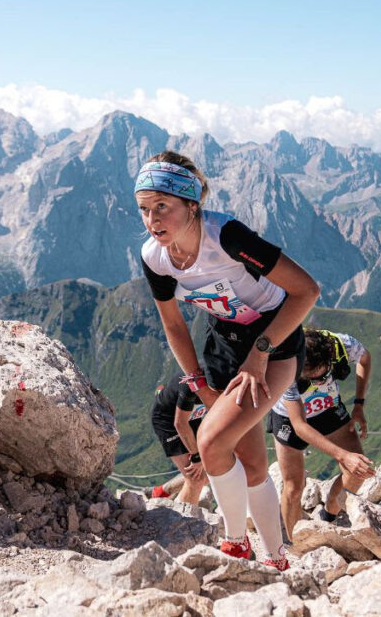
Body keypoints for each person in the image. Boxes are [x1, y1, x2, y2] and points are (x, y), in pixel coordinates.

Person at [135, 150, 320, 570]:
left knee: (212, 442)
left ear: (192, 205)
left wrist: (261, 352)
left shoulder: (227, 237)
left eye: (163, 207)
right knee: (252, 464)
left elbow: (306, 290)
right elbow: (174, 325)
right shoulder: (155, 257)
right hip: (223, 346)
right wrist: (196, 379)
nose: (152, 220)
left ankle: (235, 542)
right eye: (144, 209)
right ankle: (276, 557)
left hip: (274, 341)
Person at [267, 328, 375, 542]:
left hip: (328, 407)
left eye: (323, 376)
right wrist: (342, 455)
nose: (317, 384)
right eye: (308, 381)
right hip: (289, 417)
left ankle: (329, 515)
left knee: (357, 471)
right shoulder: (286, 365)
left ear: (330, 357)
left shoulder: (341, 344)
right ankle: (294, 544)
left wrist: (359, 405)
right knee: (294, 488)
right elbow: (300, 426)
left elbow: (365, 357)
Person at [149, 373, 213, 505]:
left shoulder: (228, 377)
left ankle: (162, 491)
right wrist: (196, 457)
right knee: (196, 478)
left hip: (192, 416)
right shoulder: (193, 383)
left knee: (211, 470)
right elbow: (179, 423)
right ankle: (183, 522)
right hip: (168, 420)